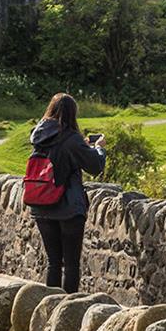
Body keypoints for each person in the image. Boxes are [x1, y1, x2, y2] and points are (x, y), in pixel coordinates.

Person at [25, 93, 107, 293]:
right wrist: (99, 149)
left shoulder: (39, 136)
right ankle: (67, 309)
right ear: (72, 114)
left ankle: (50, 306)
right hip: (68, 208)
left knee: (53, 261)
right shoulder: (71, 138)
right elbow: (95, 166)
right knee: (71, 264)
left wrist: (82, 145)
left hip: (41, 204)